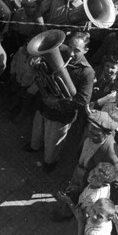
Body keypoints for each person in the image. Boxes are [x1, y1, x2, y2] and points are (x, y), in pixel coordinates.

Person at [28, 31, 95, 173]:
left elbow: (82, 101)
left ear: (86, 50)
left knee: (53, 141)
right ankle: (35, 146)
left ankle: (50, 162)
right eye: (70, 47)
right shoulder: (61, 50)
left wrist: (56, 102)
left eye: (77, 50)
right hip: (44, 102)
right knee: (37, 129)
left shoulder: (87, 72)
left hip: (61, 112)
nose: (71, 53)